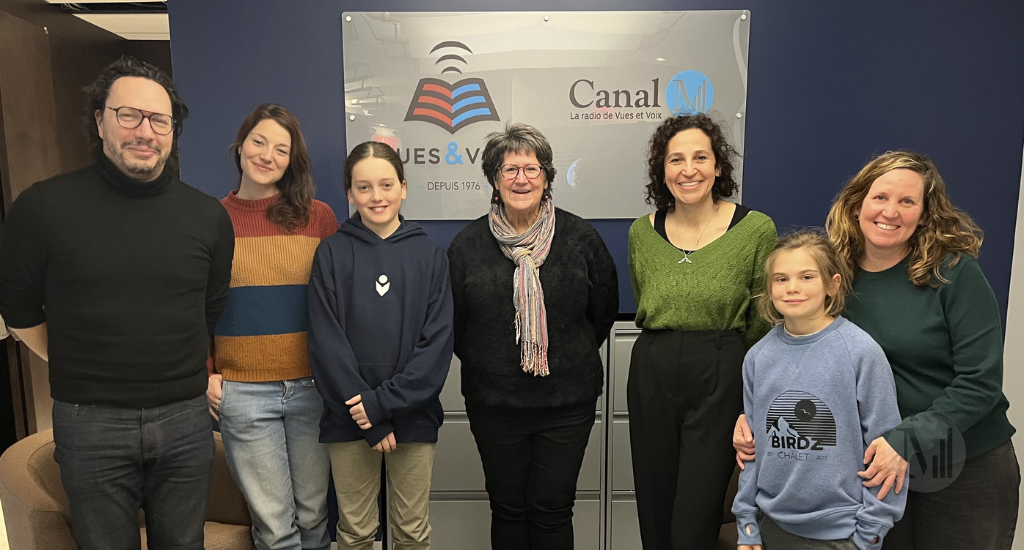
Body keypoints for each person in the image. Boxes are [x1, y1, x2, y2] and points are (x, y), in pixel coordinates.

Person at [0, 56, 234, 550]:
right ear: (100, 119)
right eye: (129, 115)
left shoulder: (207, 217)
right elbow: (20, 312)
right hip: (91, 423)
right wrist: (83, 362)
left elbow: (207, 309)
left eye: (159, 120)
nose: (144, 131)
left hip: (185, 419)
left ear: (173, 130)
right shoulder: (42, 208)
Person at [734, 151, 1019, 549]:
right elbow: (790, 358)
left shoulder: (953, 273)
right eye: (880, 197)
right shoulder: (833, 274)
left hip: (959, 461)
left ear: (925, 212)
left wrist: (904, 441)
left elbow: (980, 382)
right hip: (873, 469)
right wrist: (753, 418)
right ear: (857, 204)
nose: (891, 211)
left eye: (907, 201)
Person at [447, 122, 618, 550]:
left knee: (552, 509)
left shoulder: (581, 239)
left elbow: (603, 312)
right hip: (494, 404)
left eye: (532, 168)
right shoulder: (466, 246)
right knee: (507, 508)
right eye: (509, 169)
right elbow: (455, 325)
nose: (521, 178)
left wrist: (560, 354)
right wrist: (496, 362)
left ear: (547, 178)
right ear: (493, 179)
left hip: (566, 403)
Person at [627, 113, 777, 550]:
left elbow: (761, 318)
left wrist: (745, 387)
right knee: (654, 497)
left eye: (700, 157)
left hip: (721, 365)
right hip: (653, 364)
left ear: (718, 166)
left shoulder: (755, 229)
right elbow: (647, 298)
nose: (688, 169)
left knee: (700, 504)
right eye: (676, 159)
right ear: (662, 169)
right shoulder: (642, 232)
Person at [307, 141, 453, 549]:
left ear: (403, 188)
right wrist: (365, 413)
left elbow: (436, 347)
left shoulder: (430, 255)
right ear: (349, 193)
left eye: (386, 185)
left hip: (414, 417)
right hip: (348, 417)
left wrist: (381, 406)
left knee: (412, 532)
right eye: (364, 187)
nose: (377, 196)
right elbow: (325, 342)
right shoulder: (331, 253)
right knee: (354, 533)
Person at [206, 104, 337, 550]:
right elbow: (193, 305)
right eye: (259, 141)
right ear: (240, 145)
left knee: (315, 517)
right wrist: (206, 371)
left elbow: (336, 302)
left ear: (292, 160)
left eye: (281, 149)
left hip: (311, 386)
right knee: (275, 528)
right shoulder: (210, 220)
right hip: (243, 391)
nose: (267, 155)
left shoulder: (318, 217)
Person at [732, 230, 906, 550]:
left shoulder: (861, 352)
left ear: (832, 284)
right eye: (781, 279)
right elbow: (751, 452)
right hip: (773, 527)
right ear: (769, 289)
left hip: (844, 534)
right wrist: (746, 521)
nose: (793, 288)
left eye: (807, 276)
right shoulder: (757, 357)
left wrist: (870, 534)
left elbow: (888, 451)